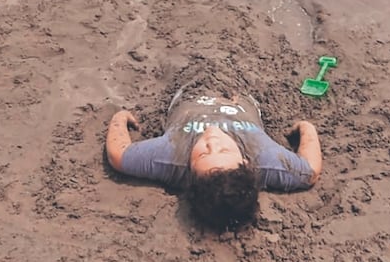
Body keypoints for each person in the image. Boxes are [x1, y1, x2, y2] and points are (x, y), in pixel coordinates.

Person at [105, 86, 322, 231]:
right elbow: (309, 170)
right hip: (238, 90)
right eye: (225, 151)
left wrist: (119, 118)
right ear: (247, 163)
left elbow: (118, 155)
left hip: (191, 89)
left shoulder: (170, 156)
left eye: (203, 153)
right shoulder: (264, 157)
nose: (213, 139)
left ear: (190, 171)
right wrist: (306, 128)